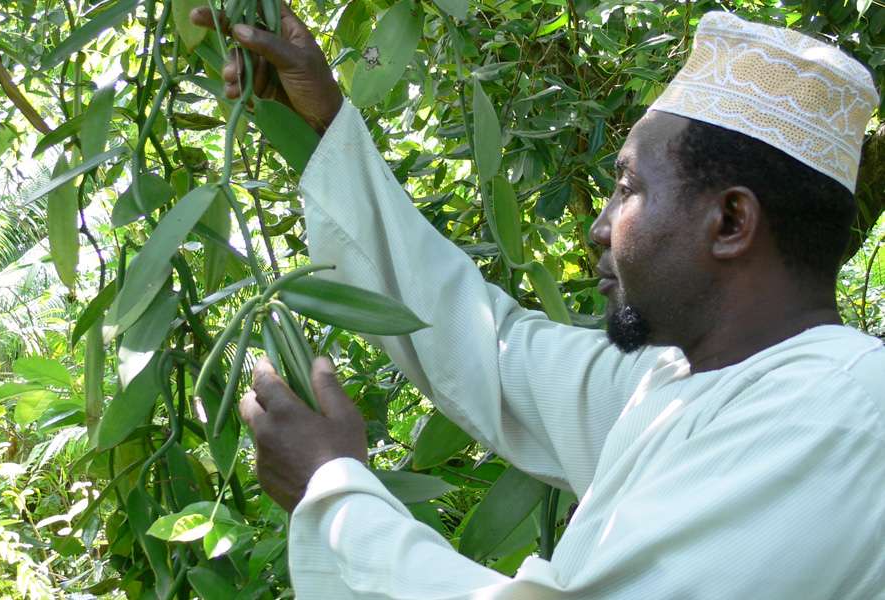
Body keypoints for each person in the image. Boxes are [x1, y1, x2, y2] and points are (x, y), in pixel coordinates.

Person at [193, 6, 884, 598]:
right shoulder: (676, 384)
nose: (599, 227)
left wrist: (333, 493)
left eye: (627, 187)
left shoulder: (842, 414)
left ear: (730, 222)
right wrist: (324, 128)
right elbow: (483, 347)